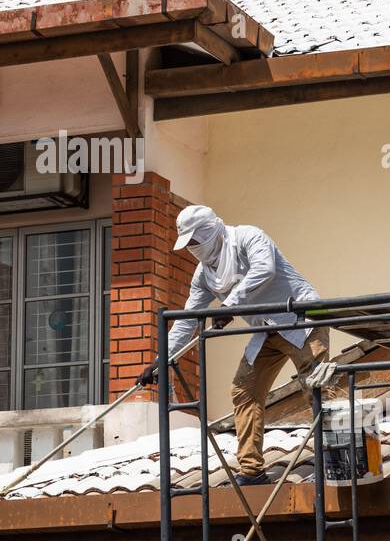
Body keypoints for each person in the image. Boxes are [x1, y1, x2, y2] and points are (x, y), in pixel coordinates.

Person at [140, 204, 335, 485]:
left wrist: (229, 306)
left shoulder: (248, 237)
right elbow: (187, 321)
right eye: (189, 244)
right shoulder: (204, 275)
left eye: (195, 240)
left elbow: (264, 269)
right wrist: (161, 361)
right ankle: (252, 470)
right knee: (244, 389)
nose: (194, 248)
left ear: (210, 232)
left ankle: (332, 455)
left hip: (302, 319)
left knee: (316, 384)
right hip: (267, 330)